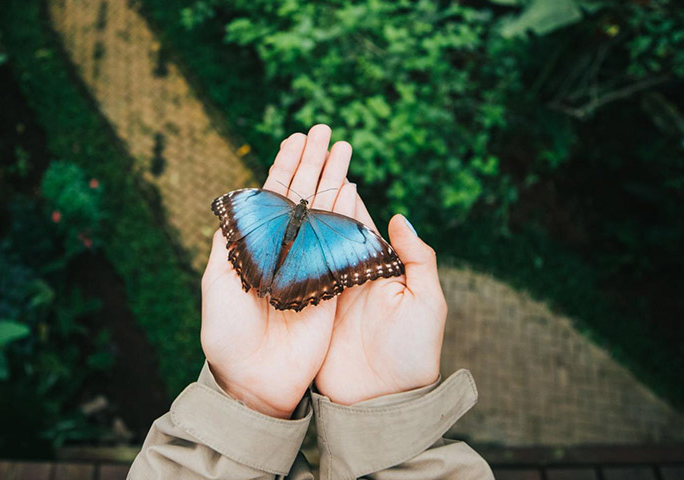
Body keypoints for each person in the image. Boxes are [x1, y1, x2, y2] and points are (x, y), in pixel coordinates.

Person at [128, 125, 494, 480]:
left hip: (278, 260)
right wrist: (392, 423)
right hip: (303, 269)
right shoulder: (337, 228)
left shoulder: (266, 204)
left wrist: (245, 405)